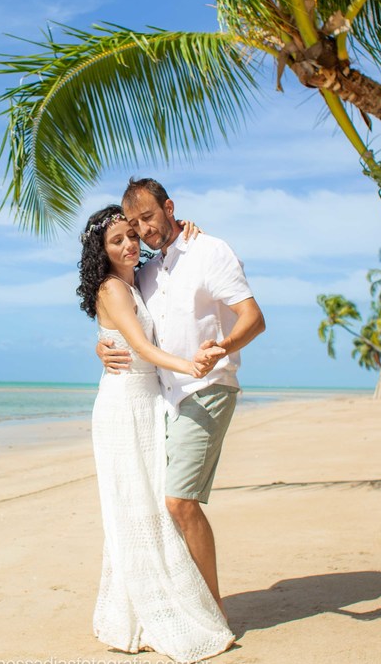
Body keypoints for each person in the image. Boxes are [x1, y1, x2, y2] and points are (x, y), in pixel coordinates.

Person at [97, 178, 265, 614]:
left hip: (207, 388)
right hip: (161, 399)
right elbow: (132, 328)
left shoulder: (210, 250)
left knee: (179, 502)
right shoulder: (150, 270)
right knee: (164, 504)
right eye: (134, 226)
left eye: (149, 218)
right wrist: (102, 345)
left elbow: (254, 318)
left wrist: (222, 348)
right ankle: (184, 600)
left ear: (170, 207)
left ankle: (212, 610)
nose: (143, 231)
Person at [78, 205, 235, 663]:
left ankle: (154, 607)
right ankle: (141, 613)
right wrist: (189, 365)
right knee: (135, 508)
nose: (130, 245)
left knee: (152, 506)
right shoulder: (112, 285)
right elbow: (142, 346)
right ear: (101, 252)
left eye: (132, 235)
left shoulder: (138, 277)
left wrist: (188, 232)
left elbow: (171, 263)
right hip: (125, 406)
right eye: (118, 241)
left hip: (149, 403)